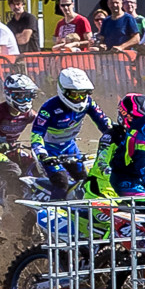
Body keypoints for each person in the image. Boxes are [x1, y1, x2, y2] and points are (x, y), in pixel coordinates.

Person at [31, 67, 111, 201]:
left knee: (85, 181)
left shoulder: (88, 103)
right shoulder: (49, 108)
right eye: (74, 95)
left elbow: (105, 124)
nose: (79, 99)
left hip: (70, 148)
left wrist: (121, 136)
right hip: (50, 150)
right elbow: (36, 133)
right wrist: (42, 154)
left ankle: (83, 211)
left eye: (83, 94)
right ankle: (53, 211)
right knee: (61, 182)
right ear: (64, 91)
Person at [0, 72, 39, 181]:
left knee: (37, 167)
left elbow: (43, 125)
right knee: (13, 171)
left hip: (13, 149)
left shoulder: (29, 114)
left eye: (28, 96)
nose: (26, 100)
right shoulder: (0, 111)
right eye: (21, 96)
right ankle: (10, 191)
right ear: (9, 95)